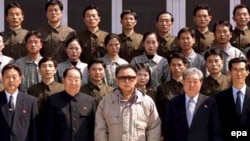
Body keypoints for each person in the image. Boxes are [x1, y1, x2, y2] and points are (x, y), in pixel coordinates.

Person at [95, 64, 161, 141]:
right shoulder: (106, 102)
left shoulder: (147, 102)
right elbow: (100, 131)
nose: (127, 81)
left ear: (136, 79)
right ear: (116, 80)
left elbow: (154, 129)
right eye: (122, 78)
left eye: (131, 78)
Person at [164, 68, 221, 141]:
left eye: (195, 81)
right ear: (183, 82)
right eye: (188, 81)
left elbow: (216, 130)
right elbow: (168, 129)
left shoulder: (210, 102)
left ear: (201, 83)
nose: (191, 85)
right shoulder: (174, 102)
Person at [44, 67, 95, 141]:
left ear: (81, 81)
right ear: (63, 80)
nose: (73, 83)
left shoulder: (89, 101)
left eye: (76, 80)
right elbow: (47, 128)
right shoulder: (52, 100)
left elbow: (93, 128)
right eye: (69, 79)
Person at [0, 63, 39, 141]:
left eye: (14, 77)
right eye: (7, 77)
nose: (11, 80)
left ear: (20, 79)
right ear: (2, 79)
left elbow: (35, 129)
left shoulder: (31, 101)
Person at [216, 57, 250, 140]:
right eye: (235, 70)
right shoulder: (220, 97)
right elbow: (218, 125)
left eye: (242, 69)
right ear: (229, 72)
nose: (239, 73)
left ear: (247, 72)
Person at [156, 53, 187, 134]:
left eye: (179, 65)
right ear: (169, 67)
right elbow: (160, 113)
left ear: (185, 66)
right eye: (173, 65)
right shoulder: (162, 88)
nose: (176, 68)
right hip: (170, 130)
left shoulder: (191, 86)